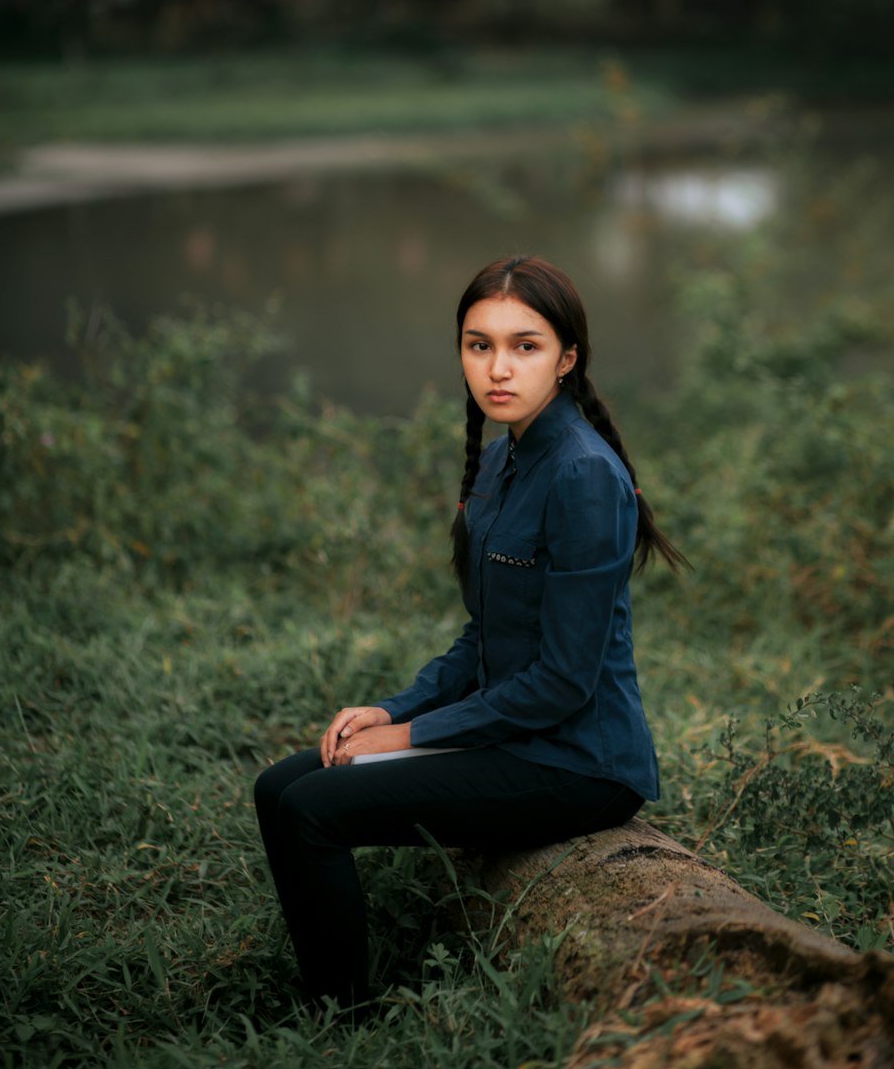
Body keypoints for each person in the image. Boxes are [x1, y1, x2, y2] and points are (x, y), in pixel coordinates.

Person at [254, 254, 684, 1012]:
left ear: (567, 358)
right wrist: (393, 710)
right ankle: (332, 991)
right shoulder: (501, 458)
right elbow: (480, 641)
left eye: (526, 345)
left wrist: (414, 738)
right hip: (516, 735)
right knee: (279, 785)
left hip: (578, 763)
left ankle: (340, 1016)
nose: (499, 368)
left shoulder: (582, 475)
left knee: (313, 809)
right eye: (478, 344)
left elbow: (562, 682)